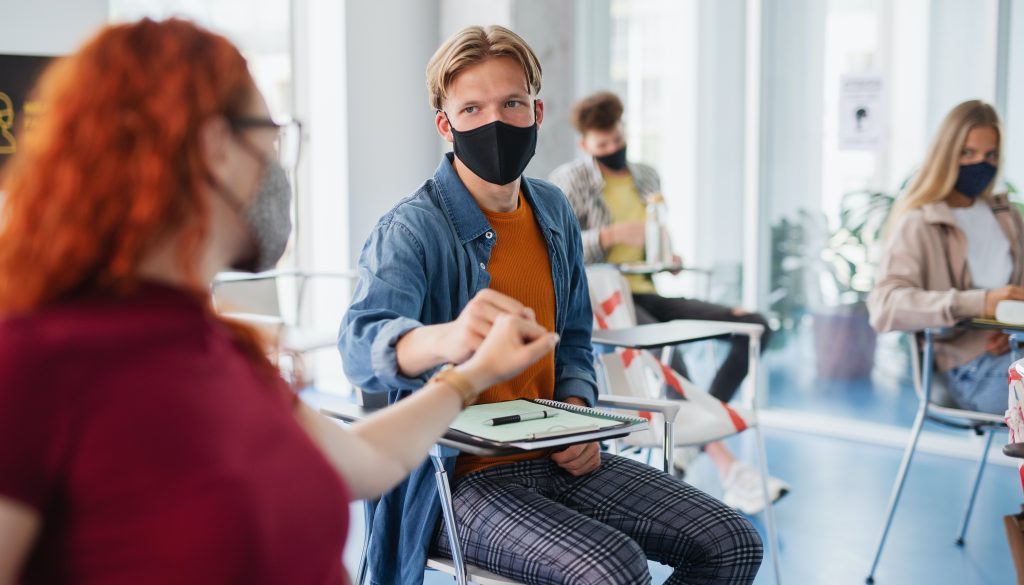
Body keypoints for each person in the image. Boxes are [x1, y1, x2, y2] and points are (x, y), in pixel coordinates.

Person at [0, 18, 556, 585]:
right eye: (271, 132)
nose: (279, 162)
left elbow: (367, 463)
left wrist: (470, 373)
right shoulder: (32, 362)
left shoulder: (219, 347)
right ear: (215, 147)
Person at [338, 25, 763, 585]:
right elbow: (358, 342)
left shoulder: (553, 210)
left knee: (732, 543)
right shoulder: (411, 230)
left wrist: (579, 416)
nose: (495, 122)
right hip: (456, 481)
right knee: (615, 571)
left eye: (512, 103)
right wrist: (445, 339)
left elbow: (577, 342)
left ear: (536, 111)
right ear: (445, 125)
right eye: (471, 109)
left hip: (557, 455)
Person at [548, 91, 788, 514]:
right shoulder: (569, 181)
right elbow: (557, 249)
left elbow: (657, 236)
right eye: (602, 145)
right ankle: (730, 468)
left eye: (616, 139)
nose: (613, 150)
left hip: (649, 290)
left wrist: (669, 255)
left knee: (753, 325)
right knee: (670, 358)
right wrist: (611, 236)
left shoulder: (646, 176)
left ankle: (694, 438)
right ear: (586, 145)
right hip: (606, 301)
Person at [869, 99, 1024, 415]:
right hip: (967, 369)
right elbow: (885, 306)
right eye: (968, 153)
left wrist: (1011, 333)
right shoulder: (919, 222)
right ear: (947, 154)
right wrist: (981, 303)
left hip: (1015, 353)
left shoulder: (1006, 217)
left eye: (990, 155)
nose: (981, 163)